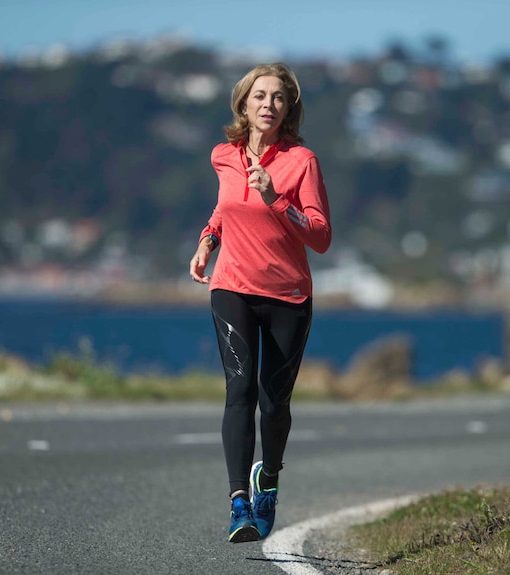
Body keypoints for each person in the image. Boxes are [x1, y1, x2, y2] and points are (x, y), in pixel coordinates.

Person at [189, 62, 332, 543]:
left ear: (289, 108)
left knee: (274, 405)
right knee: (240, 390)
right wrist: (208, 239)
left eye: (278, 98)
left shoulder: (302, 161)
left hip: (288, 296)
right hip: (232, 286)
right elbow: (225, 207)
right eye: (259, 96)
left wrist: (276, 199)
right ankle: (238, 506)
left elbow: (322, 236)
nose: (268, 104)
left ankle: (267, 479)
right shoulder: (223, 155)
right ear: (243, 104)